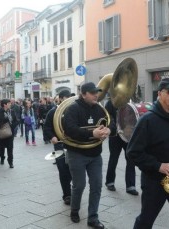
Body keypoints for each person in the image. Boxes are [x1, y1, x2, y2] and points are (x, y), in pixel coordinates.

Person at [127, 78, 169, 229]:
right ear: (159, 94)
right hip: (154, 182)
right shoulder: (147, 120)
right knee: (145, 222)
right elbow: (132, 153)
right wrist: (159, 166)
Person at [64, 82, 111, 229]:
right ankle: (75, 210)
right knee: (79, 185)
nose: (96, 94)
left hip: (95, 154)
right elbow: (70, 129)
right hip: (76, 153)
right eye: (92, 92)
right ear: (83, 94)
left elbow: (112, 123)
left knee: (96, 185)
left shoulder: (99, 109)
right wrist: (92, 133)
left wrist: (109, 130)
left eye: (96, 92)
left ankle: (93, 217)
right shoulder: (73, 109)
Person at [43, 90, 73, 205]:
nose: (68, 100)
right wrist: (52, 137)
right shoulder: (53, 112)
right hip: (59, 145)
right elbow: (47, 128)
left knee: (73, 170)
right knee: (62, 170)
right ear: (60, 98)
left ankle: (72, 189)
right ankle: (67, 195)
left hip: (72, 145)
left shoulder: (73, 110)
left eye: (69, 97)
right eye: (66, 98)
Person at [104, 98, 138, 195]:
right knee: (113, 158)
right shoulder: (110, 103)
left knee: (131, 159)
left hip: (128, 134)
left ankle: (131, 186)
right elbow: (108, 118)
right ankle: (109, 182)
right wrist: (115, 127)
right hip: (115, 135)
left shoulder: (130, 101)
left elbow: (133, 117)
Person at [0, 99, 18, 168]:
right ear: (5, 105)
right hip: (2, 131)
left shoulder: (12, 111)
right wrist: (0, 125)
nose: (10, 104)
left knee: (10, 147)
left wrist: (13, 126)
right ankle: (2, 158)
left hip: (10, 132)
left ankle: (10, 162)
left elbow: (16, 120)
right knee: (2, 146)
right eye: (9, 103)